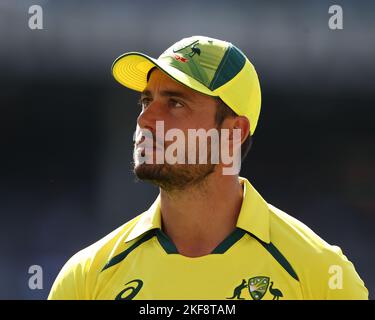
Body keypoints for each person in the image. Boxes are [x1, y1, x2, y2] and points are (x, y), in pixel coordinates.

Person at [48, 35, 368, 300]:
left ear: (233, 132)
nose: (144, 120)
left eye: (176, 103)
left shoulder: (321, 276)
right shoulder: (86, 278)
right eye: (146, 101)